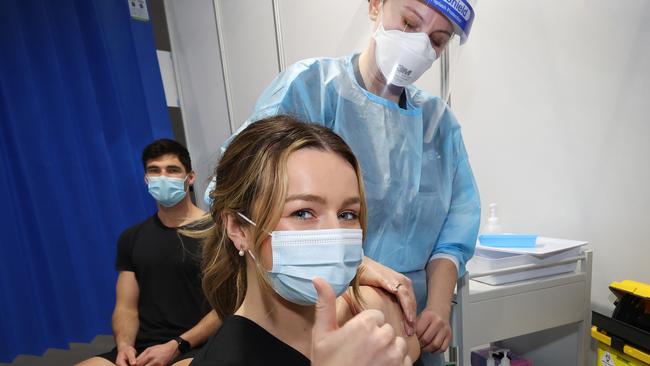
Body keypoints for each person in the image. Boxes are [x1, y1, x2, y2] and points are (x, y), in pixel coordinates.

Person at [205, 0, 480, 364]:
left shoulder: (438, 125)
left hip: (409, 319)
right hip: (311, 311)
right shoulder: (312, 89)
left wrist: (439, 308)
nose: (420, 46)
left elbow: (453, 234)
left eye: (438, 40)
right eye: (410, 23)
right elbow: (235, 188)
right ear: (376, 6)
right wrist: (354, 264)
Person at [186, 115, 419, 366]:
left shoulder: (367, 314)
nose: (335, 237)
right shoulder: (226, 358)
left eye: (347, 214)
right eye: (303, 213)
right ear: (238, 228)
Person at [77, 139, 220, 366]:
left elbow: (227, 307)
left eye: (172, 170)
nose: (163, 177)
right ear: (146, 179)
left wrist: (177, 345)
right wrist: (125, 347)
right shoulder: (131, 237)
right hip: (142, 349)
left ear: (189, 178)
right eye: (155, 171)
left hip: (194, 347)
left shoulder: (216, 232)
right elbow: (126, 308)